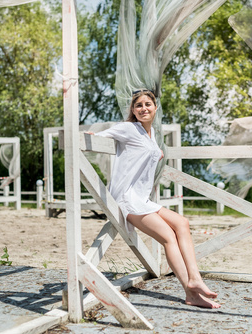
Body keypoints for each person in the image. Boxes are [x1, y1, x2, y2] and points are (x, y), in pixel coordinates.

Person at [90, 90, 220, 309]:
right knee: (168, 237)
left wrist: (156, 151)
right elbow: (102, 135)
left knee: (182, 223)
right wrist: (92, 138)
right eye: (138, 105)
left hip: (142, 198)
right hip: (127, 198)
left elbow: (146, 151)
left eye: (148, 104)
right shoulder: (129, 128)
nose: (143, 108)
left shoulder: (149, 135)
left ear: (155, 108)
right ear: (132, 110)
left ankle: (195, 278)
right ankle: (191, 290)